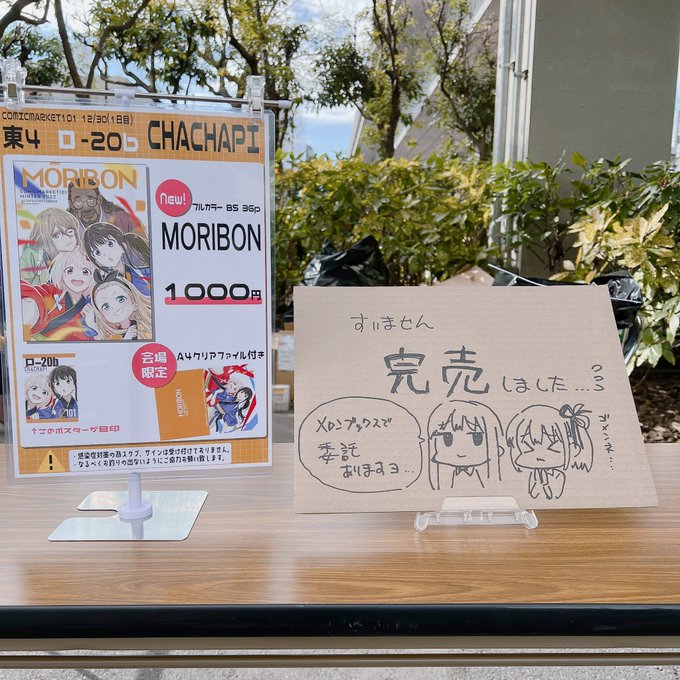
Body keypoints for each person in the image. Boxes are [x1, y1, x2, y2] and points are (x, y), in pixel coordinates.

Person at [505, 403, 593, 501]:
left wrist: (545, 485)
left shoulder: (558, 476)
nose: (539, 456)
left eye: (552, 447)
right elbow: (534, 495)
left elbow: (555, 497)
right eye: (528, 448)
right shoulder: (532, 477)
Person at [21, 248, 99, 342]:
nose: (78, 275)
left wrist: (92, 325)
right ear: (61, 273)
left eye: (85, 272)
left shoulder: (93, 306)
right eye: (70, 270)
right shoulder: (51, 291)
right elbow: (34, 295)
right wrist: (32, 305)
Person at [427, 399, 505, 490]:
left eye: (477, 439)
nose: (461, 451)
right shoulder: (443, 479)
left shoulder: (487, 478)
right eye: (447, 439)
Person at [83, 223, 151, 296]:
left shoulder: (146, 273)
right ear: (95, 259)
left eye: (110, 244)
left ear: (123, 246)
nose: (106, 253)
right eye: (97, 252)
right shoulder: (99, 289)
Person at [19, 208, 80, 285]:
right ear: (43, 238)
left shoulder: (81, 255)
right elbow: (22, 285)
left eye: (70, 231)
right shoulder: (32, 255)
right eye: (56, 235)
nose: (67, 238)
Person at [91, 272, 152, 340]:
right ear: (103, 317)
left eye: (121, 299)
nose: (115, 307)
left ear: (134, 302)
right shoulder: (109, 337)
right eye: (106, 307)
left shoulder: (146, 326)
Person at [67, 179, 140, 233]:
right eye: (78, 202)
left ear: (99, 199)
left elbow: (143, 247)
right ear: (71, 205)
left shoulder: (125, 220)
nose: (86, 207)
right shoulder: (66, 227)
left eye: (90, 200)